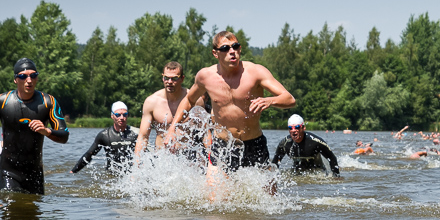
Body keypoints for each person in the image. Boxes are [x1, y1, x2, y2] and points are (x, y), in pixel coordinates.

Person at [165, 31, 295, 171]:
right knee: (213, 192)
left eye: (235, 46)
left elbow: (289, 99)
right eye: (225, 48)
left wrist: (270, 101)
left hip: (254, 144)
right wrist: (173, 128)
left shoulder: (256, 72)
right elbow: (189, 100)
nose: (232, 51)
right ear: (216, 53)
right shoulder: (205, 76)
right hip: (223, 145)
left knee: (268, 192)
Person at [0, 58, 70, 194]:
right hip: (8, 171)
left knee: (32, 214)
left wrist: (47, 131)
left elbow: (64, 135)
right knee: (12, 206)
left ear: (37, 78)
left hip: (34, 173)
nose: (29, 80)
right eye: (23, 76)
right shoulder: (1, 101)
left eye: (33, 75)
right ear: (15, 79)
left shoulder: (48, 102)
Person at [134, 62, 203, 156]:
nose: (169, 81)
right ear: (162, 78)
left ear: (182, 78)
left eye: (174, 78)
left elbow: (205, 134)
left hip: (187, 157)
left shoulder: (195, 100)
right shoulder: (152, 102)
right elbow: (143, 137)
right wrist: (137, 164)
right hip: (162, 158)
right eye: (166, 78)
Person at [71, 102, 139, 174]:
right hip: (111, 175)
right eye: (118, 115)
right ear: (112, 116)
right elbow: (89, 154)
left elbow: (148, 155)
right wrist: (73, 171)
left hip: (131, 175)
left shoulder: (136, 134)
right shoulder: (104, 135)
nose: (122, 118)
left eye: (124, 114)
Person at [272, 114, 340, 177]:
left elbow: (332, 158)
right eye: (290, 128)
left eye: (297, 127)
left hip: (317, 173)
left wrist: (336, 177)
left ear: (303, 128)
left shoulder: (315, 142)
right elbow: (275, 163)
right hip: (297, 172)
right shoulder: (285, 143)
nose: (293, 130)